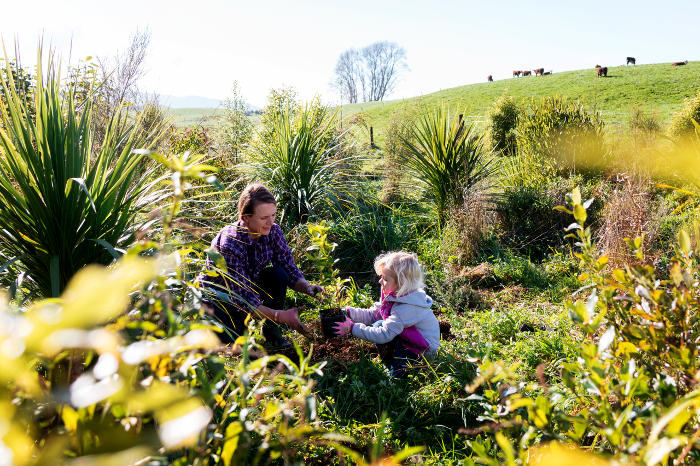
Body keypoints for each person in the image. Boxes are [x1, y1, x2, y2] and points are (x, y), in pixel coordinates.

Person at [199, 184, 323, 347]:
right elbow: (241, 297)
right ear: (246, 217)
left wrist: (308, 288)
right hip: (219, 301)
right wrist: (280, 315)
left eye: (273, 215)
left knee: (277, 275)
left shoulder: (273, 231)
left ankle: (271, 331)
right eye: (264, 218)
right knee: (234, 345)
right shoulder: (230, 244)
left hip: (246, 289)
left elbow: (288, 267)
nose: (270, 222)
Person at [333, 251, 439, 378]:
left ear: (401, 283)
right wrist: (350, 313)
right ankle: (389, 358)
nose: (380, 281)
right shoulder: (394, 295)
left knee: (396, 380)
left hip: (420, 349)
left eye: (385, 279)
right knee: (378, 323)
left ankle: (407, 368)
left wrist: (351, 328)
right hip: (408, 337)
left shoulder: (407, 308)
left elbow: (384, 334)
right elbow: (375, 314)